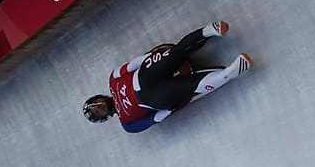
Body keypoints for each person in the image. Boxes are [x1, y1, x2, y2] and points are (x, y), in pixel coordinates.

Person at [83, 21, 252, 132]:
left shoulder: (113, 79)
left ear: (98, 97)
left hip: (145, 76)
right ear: (104, 117)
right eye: (99, 111)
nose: (101, 106)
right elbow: (153, 120)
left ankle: (208, 31)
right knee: (189, 87)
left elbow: (132, 65)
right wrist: (170, 109)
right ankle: (228, 73)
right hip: (153, 99)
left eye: (97, 103)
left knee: (175, 54)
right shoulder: (128, 125)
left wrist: (152, 57)